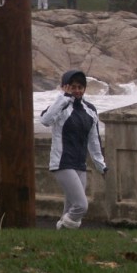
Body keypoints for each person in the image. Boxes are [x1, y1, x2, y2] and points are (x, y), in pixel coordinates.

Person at [40, 70, 107, 230]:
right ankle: (63, 227)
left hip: (80, 164)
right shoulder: (60, 107)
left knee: (70, 207)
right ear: (65, 87)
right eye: (73, 87)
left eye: (80, 87)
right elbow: (46, 120)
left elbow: (94, 140)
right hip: (62, 162)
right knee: (81, 206)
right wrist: (64, 98)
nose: (77, 90)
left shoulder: (90, 109)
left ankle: (62, 236)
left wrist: (101, 165)